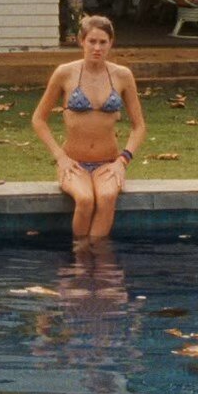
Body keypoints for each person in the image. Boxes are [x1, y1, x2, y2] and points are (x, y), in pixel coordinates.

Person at [30, 16, 148, 238]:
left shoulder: (122, 75)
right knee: (85, 200)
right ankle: (81, 255)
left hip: (108, 163)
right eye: (92, 41)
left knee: (106, 197)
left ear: (111, 43)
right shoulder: (65, 73)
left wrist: (123, 161)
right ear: (81, 41)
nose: (97, 48)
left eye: (103, 42)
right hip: (74, 163)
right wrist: (60, 157)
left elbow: (139, 126)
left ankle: (99, 255)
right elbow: (38, 119)